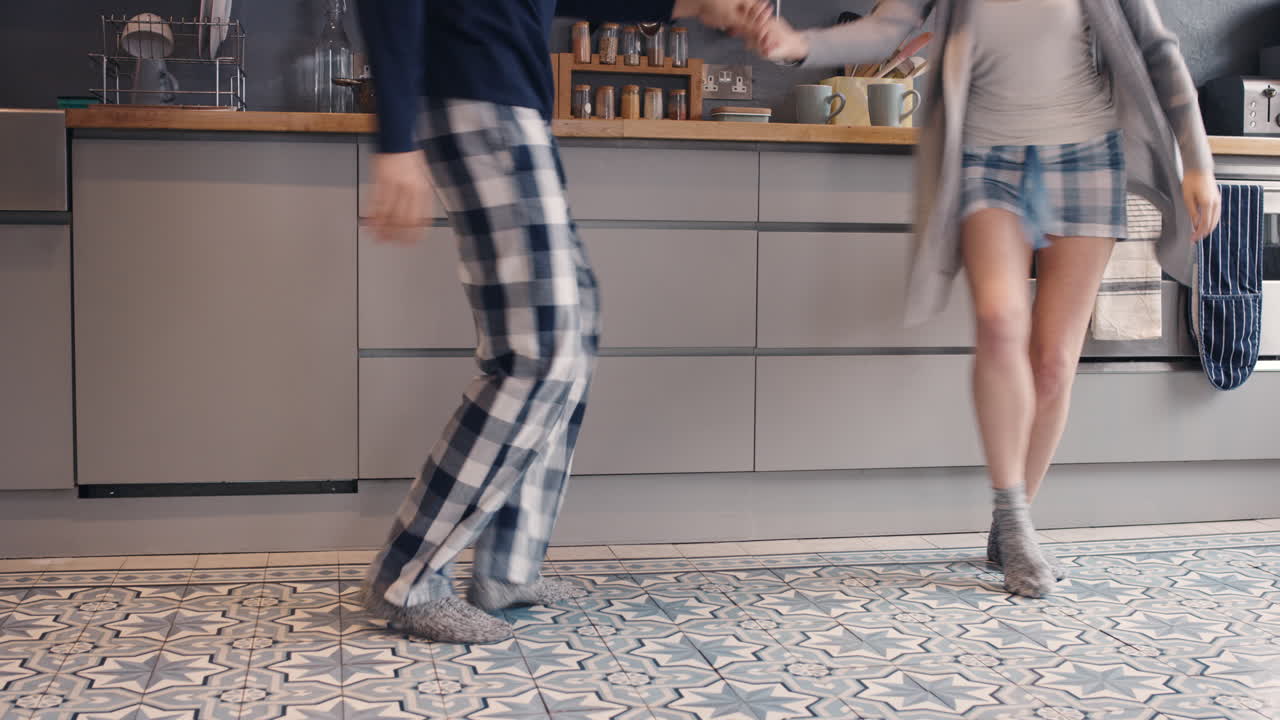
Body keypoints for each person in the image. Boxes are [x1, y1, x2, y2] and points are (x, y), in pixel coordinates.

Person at [744, 0, 1221, 598]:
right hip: (986, 157)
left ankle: (1011, 515)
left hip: (1088, 158)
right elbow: (889, 26)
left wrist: (1196, 159)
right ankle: (1016, 520)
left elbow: (1158, 50)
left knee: (1052, 364)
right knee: (998, 322)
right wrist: (797, 44)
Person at [354, 0, 755, 644]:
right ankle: (409, 576)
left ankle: (508, 570)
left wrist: (689, 6)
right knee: (541, 352)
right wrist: (394, 141)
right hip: (474, 96)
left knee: (574, 331)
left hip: (508, 105)